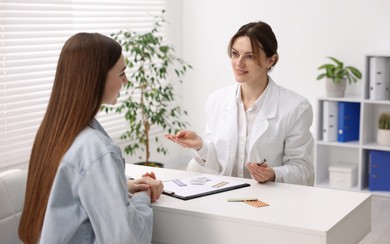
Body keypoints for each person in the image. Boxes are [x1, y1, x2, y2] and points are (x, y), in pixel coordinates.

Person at [18, 33, 164, 244]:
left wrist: (122, 185)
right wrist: (143, 196)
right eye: (121, 72)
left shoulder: (52, 134)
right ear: (96, 77)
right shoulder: (97, 149)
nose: (126, 80)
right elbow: (126, 239)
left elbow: (68, 193)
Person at [165, 21, 314, 186]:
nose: (239, 63)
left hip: (270, 199)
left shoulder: (296, 107)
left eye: (250, 56)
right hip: (223, 196)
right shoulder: (217, 101)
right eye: (235, 54)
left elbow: (303, 168)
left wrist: (273, 174)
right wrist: (200, 146)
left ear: (270, 61)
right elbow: (216, 166)